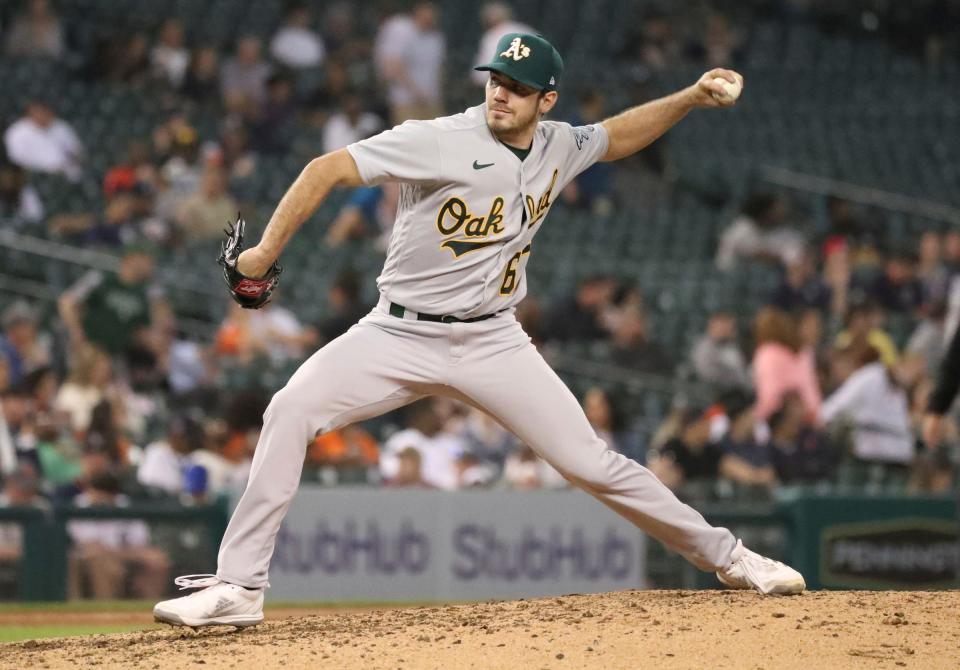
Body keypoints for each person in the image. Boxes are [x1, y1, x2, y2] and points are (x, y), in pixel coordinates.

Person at [154, 32, 803, 629]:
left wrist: (689, 96)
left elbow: (615, 136)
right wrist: (264, 253)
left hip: (494, 338)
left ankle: (733, 558)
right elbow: (328, 167)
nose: (501, 92)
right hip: (398, 333)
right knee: (289, 409)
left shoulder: (557, 145)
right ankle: (240, 587)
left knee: (592, 463)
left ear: (545, 99)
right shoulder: (438, 138)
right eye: (496, 79)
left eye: (518, 87)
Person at [3, 99, 84, 182]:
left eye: (44, 111)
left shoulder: (60, 126)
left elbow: (77, 150)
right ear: (29, 114)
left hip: (68, 174)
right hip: (37, 178)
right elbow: (16, 160)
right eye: (37, 112)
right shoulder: (16, 132)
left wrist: (75, 159)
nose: (42, 114)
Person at [269, 3, 326, 70]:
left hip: (310, 71)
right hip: (287, 70)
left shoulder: (314, 37)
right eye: (299, 15)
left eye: (304, 16)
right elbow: (277, 56)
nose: (301, 18)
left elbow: (320, 58)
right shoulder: (282, 35)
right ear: (292, 16)